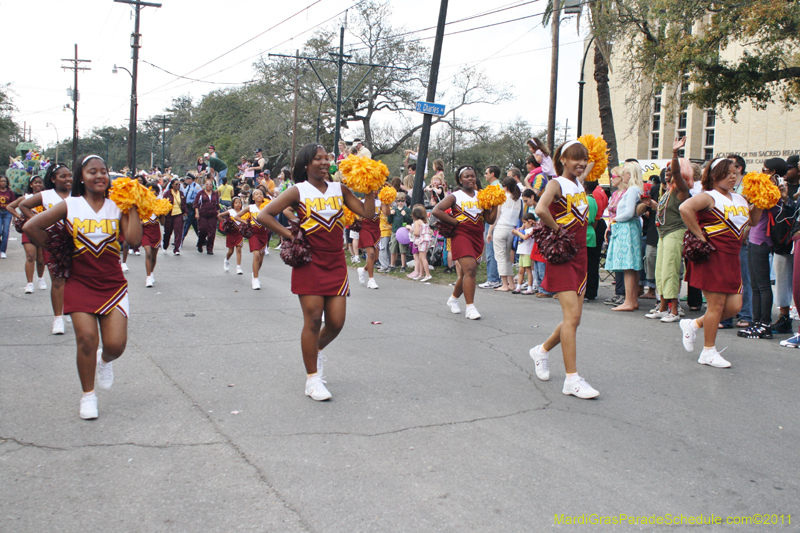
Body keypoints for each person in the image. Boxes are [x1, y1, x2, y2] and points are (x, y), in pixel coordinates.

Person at [23, 154, 142, 419]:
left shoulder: (117, 206)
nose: (100, 176)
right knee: (86, 339)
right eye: (92, 172)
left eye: (104, 171)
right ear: (81, 177)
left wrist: (132, 204)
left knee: (116, 346)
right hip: (79, 282)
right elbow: (31, 225)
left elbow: (133, 240)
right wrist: (55, 247)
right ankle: (88, 396)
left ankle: (104, 361)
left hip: (112, 285)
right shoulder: (70, 205)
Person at [259, 143, 376, 401]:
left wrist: (370, 188)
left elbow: (368, 213)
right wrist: (291, 235)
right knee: (312, 320)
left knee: (336, 322)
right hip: (309, 261)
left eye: (327, 159)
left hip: (335, 262)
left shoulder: (339, 188)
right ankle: (313, 380)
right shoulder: (297, 190)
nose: (325, 163)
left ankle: (315, 349)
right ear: (305, 164)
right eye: (318, 159)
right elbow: (264, 215)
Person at [530, 140, 599, 399]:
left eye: (583, 159)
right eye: (574, 159)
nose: (580, 163)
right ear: (563, 160)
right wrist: (559, 230)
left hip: (580, 257)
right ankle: (572, 379)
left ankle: (542, 350)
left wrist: (596, 153)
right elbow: (540, 209)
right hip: (564, 256)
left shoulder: (579, 183)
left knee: (575, 319)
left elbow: (589, 163)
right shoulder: (555, 183)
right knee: (572, 318)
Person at [679, 158, 760, 368]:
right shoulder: (708, 197)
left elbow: (753, 221)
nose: (733, 176)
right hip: (714, 256)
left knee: (734, 306)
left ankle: (693, 324)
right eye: (728, 172)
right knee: (716, 306)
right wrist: (699, 235)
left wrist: (761, 202)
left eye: (736, 172)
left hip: (733, 258)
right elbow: (685, 208)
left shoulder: (740, 198)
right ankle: (708, 351)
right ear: (715, 175)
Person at [432, 165, 499, 320]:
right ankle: (470, 307)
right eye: (466, 176)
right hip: (461, 234)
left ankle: (453, 298)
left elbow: (490, 219)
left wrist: (495, 204)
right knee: (469, 269)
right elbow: (436, 210)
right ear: (460, 179)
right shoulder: (455, 196)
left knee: (466, 273)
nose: (470, 179)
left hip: (477, 235)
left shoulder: (482, 195)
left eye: (472, 176)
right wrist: (454, 222)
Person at [19, 163, 73, 335]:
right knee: (57, 280)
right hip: (54, 241)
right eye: (63, 176)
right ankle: (58, 319)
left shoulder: (78, 194)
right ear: (52, 179)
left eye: (70, 175)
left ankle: (71, 309)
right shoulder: (46, 195)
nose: (68, 179)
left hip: (77, 241)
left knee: (74, 280)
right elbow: (23, 206)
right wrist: (36, 219)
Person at [739, 158, 789, 339]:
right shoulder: (767, 190)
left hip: (762, 241)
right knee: (755, 284)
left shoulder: (771, 192)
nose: (761, 173)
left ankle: (764, 324)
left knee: (762, 285)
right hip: (755, 239)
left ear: (773, 172)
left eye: (764, 170)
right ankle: (756, 322)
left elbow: (758, 210)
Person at [644, 138, 692, 322]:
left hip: (675, 232)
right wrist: (653, 205)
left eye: (670, 170)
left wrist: (674, 153)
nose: (667, 173)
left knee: (671, 271)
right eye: (666, 170)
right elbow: (665, 211)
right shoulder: (668, 191)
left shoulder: (681, 189)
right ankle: (662, 307)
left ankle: (673, 310)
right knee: (661, 271)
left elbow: (678, 172)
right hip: (663, 233)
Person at [604, 161, 644, 311]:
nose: (623, 175)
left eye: (625, 172)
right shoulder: (635, 189)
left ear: (630, 174)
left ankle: (628, 301)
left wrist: (615, 219)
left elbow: (628, 212)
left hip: (626, 227)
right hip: (630, 227)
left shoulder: (632, 190)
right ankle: (632, 300)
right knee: (632, 267)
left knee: (628, 266)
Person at [7, 176, 48, 292]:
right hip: (29, 230)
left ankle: (40, 278)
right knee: (30, 256)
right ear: (31, 185)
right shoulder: (25, 198)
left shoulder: (47, 198)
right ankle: (29, 283)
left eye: (40, 182)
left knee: (40, 259)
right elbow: (10, 207)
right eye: (36, 183)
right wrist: (20, 217)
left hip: (41, 230)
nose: (38, 185)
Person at [489, 178, 522, 291]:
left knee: (500, 257)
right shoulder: (518, 200)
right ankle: (511, 283)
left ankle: (504, 284)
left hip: (501, 228)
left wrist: (489, 231)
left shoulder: (502, 198)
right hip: (512, 230)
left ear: (506, 187)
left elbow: (496, 216)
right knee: (507, 257)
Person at [234, 188, 269, 289]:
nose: (259, 195)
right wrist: (245, 222)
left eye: (260, 194)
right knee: (256, 255)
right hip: (254, 233)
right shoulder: (250, 207)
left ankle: (255, 273)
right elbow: (237, 217)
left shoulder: (267, 207)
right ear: (253, 197)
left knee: (261, 258)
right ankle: (256, 280)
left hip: (264, 233)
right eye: (256, 194)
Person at [356, 189, 389, 289]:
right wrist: (359, 217)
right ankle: (371, 280)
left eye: (376, 190)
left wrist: (386, 201)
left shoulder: (379, 202)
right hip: (365, 228)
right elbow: (357, 217)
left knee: (375, 258)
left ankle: (363, 270)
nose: (375, 192)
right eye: (372, 190)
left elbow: (387, 213)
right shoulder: (361, 202)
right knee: (370, 253)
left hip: (376, 229)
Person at [478, 165, 503, 289]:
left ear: (492, 174)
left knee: (491, 252)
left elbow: (495, 209)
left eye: (486, 173)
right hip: (493, 221)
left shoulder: (495, 188)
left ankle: (493, 278)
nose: (485, 175)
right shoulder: (495, 187)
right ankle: (496, 277)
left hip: (492, 222)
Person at [142, 182, 163, 287]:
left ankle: (151, 272)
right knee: (148, 252)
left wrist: (163, 213)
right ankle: (148, 276)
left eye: (154, 191)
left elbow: (163, 222)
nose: (152, 192)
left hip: (155, 229)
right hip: (145, 230)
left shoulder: (160, 204)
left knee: (154, 256)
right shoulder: (141, 203)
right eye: (150, 190)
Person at [218, 196, 245, 275]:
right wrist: (225, 222)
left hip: (239, 232)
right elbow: (219, 215)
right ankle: (226, 260)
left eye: (239, 202)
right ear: (233, 204)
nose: (237, 204)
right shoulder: (230, 211)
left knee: (239, 249)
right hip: (231, 233)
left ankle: (238, 267)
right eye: (236, 203)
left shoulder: (243, 212)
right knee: (230, 251)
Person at [511, 213, 536, 294]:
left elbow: (525, 237)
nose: (524, 224)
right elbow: (516, 233)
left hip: (527, 252)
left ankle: (530, 288)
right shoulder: (524, 230)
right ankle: (518, 286)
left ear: (531, 222)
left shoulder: (532, 230)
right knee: (521, 271)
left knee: (528, 271)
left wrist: (518, 232)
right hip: (521, 252)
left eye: (525, 223)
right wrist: (520, 228)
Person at [194, 177, 220, 255]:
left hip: (212, 216)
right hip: (203, 215)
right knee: (203, 230)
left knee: (212, 233)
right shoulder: (200, 193)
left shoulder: (215, 194)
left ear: (212, 186)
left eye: (210, 184)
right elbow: (196, 204)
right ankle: (200, 243)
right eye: (207, 184)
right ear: (204, 185)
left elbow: (217, 205)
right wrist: (197, 213)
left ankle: (210, 248)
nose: (208, 186)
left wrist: (218, 213)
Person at [408, 204, 433, 281]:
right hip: (427, 240)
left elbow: (416, 233)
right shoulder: (423, 221)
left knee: (422, 258)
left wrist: (411, 230)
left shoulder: (417, 222)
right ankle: (421, 274)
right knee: (421, 258)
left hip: (422, 240)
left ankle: (428, 274)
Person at [388, 192, 412, 271]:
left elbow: (410, 220)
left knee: (402, 250)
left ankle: (403, 266)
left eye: (402, 201)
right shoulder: (394, 209)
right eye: (399, 201)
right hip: (394, 231)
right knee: (393, 248)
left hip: (403, 232)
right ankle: (392, 265)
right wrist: (390, 214)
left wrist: (405, 215)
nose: (400, 203)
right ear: (396, 201)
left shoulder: (407, 210)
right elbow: (389, 221)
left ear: (405, 201)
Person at [162, 177, 187, 255]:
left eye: (179, 184)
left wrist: (185, 212)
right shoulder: (167, 193)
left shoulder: (181, 194)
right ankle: (165, 245)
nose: (178, 186)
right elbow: (164, 203)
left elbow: (184, 204)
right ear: (172, 185)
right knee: (168, 232)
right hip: (169, 215)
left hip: (178, 214)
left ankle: (177, 249)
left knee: (178, 232)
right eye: (176, 184)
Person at [181, 174, 201, 244]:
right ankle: (202, 239)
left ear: (191, 179)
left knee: (187, 223)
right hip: (187, 206)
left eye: (187, 179)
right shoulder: (187, 187)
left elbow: (199, 197)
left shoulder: (196, 186)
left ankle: (181, 238)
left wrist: (196, 206)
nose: (186, 180)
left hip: (192, 207)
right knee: (195, 225)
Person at [0, 175, 15, 259]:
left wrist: (14, 216)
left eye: (4, 181)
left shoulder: (10, 192)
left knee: (5, 232)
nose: (3, 183)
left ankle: (2, 251)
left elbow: (13, 204)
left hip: (7, 213)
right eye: (1, 181)